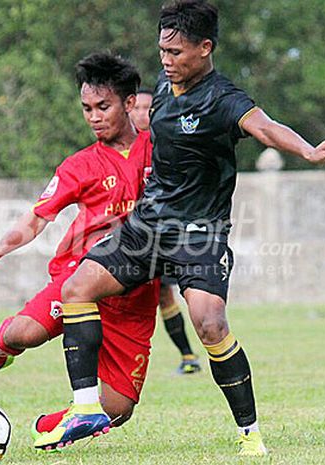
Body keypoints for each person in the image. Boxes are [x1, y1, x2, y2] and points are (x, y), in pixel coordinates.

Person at [36, 0, 325, 456]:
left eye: (176, 52)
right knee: (77, 289)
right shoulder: (166, 90)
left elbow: (265, 127)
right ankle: (85, 406)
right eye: (162, 51)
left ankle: (249, 433)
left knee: (209, 323)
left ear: (205, 48)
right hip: (147, 227)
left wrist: (308, 151)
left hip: (200, 235)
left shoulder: (224, 100)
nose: (166, 60)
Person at [0, 53, 159, 445]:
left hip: (135, 296)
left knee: (120, 407)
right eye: (86, 109)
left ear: (129, 103)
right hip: (81, 278)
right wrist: (0, 246)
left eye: (103, 107)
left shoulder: (161, 152)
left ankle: (51, 426)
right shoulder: (79, 165)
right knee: (24, 334)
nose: (93, 117)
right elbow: (36, 219)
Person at [131, 88, 202, 375]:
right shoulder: (123, 146)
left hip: (167, 232)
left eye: (148, 107)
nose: (141, 113)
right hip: (135, 234)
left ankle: (190, 355)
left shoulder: (165, 143)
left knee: (174, 294)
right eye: (135, 108)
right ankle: (187, 356)